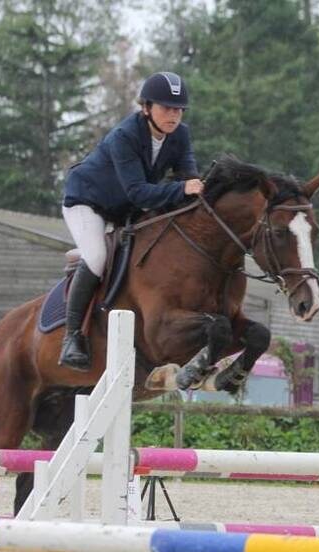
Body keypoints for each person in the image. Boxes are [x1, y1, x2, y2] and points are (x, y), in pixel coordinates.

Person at [58, 71, 204, 370]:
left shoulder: (180, 135)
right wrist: (182, 189)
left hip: (123, 208)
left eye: (178, 110)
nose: (174, 116)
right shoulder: (125, 136)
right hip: (87, 201)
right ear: (146, 107)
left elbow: (189, 177)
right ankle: (72, 337)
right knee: (97, 256)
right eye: (167, 108)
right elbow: (139, 192)